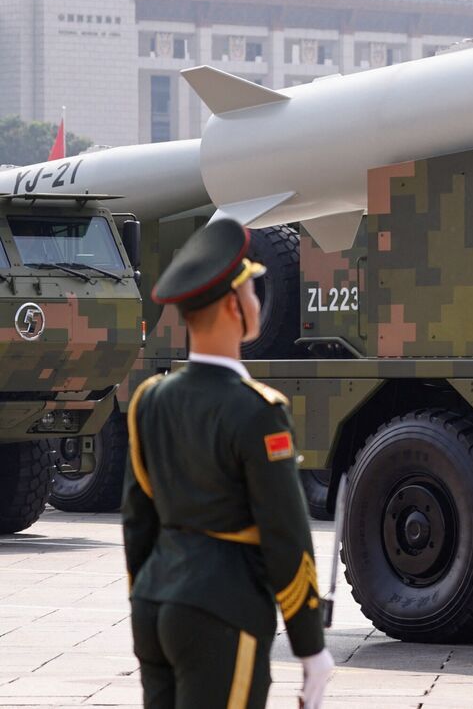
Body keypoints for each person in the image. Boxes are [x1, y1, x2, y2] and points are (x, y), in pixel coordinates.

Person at [122, 218, 334, 708]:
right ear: (232, 306)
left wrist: (147, 597)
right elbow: (286, 533)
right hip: (221, 610)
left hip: (156, 604)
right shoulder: (257, 410)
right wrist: (310, 645)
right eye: (251, 288)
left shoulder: (151, 399)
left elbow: (138, 523)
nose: (257, 299)